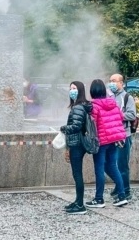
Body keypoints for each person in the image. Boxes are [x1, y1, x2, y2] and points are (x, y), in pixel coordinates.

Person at [85, 79, 128, 208]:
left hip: (101, 141)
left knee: (99, 169)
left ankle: (99, 199)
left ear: (92, 91)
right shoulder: (113, 103)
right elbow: (120, 117)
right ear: (104, 90)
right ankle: (122, 196)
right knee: (113, 166)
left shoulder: (94, 106)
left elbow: (92, 125)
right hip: (114, 139)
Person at [60, 81, 90, 215]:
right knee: (77, 174)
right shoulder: (82, 106)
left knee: (77, 174)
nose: (72, 90)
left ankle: (80, 205)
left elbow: (76, 126)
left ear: (80, 90)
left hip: (77, 144)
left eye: (74, 88)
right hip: (78, 143)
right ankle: (78, 201)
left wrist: (63, 128)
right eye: (70, 88)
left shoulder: (78, 107)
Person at [109, 73, 136, 199]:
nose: (112, 83)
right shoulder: (110, 97)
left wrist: (117, 115)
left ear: (122, 83)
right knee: (113, 164)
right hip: (112, 136)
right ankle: (118, 187)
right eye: (110, 81)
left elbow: (131, 115)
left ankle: (126, 190)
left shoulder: (127, 97)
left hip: (123, 135)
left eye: (114, 81)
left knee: (122, 164)